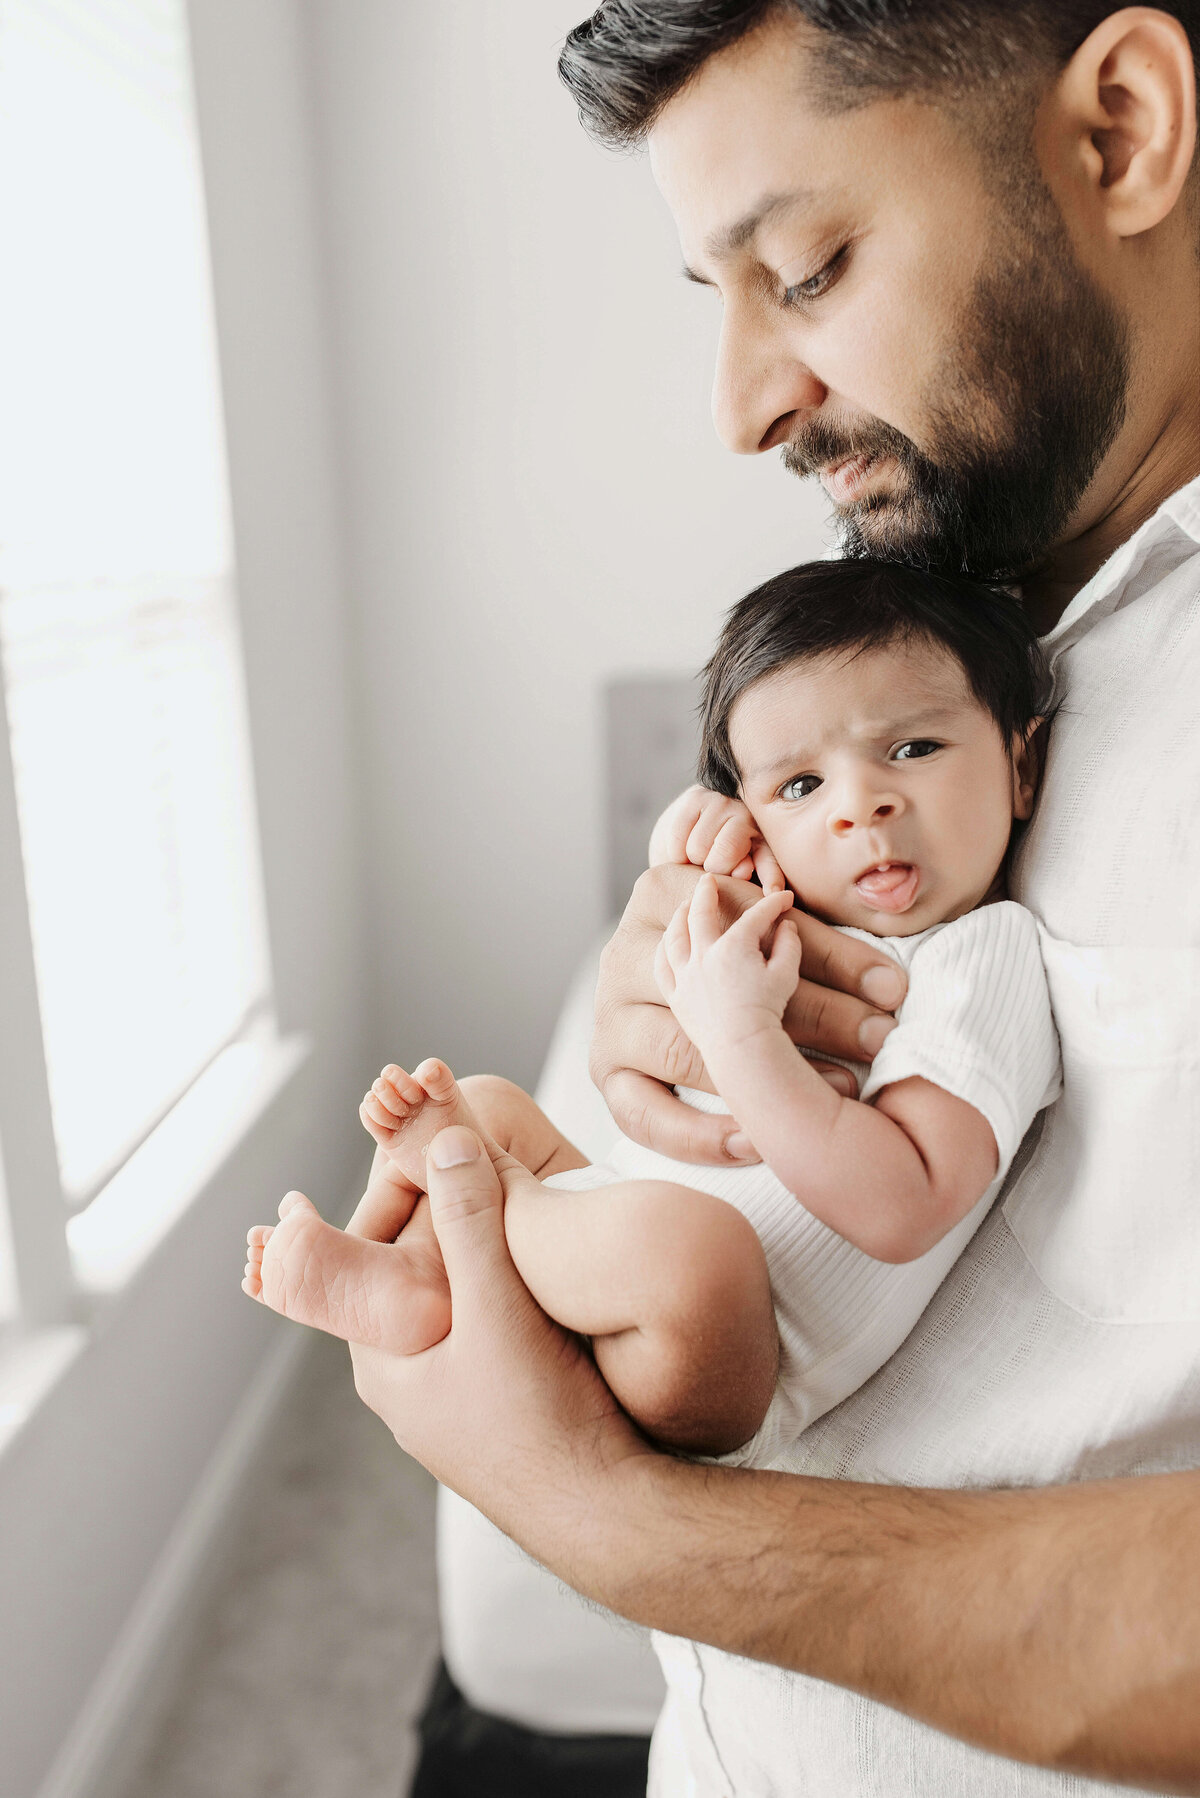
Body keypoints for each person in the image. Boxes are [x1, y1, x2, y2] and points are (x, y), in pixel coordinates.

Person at [258, 3, 1200, 1792]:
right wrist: (662, 1005)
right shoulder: (944, 586)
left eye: (812, 267)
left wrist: (612, 1520)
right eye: (725, 298)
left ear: (1124, 131)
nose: (745, 404)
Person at [244, 559, 1057, 1482]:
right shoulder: (797, 913)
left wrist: (743, 1038)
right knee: (485, 1103)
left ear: (1020, 766)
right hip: (622, 1251)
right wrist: (694, 849)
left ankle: (466, 1247)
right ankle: (418, 1267)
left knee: (684, 1244)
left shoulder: (986, 958)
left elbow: (905, 1205)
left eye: (913, 749)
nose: (859, 806)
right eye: (798, 788)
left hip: (728, 1348)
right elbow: (678, 911)